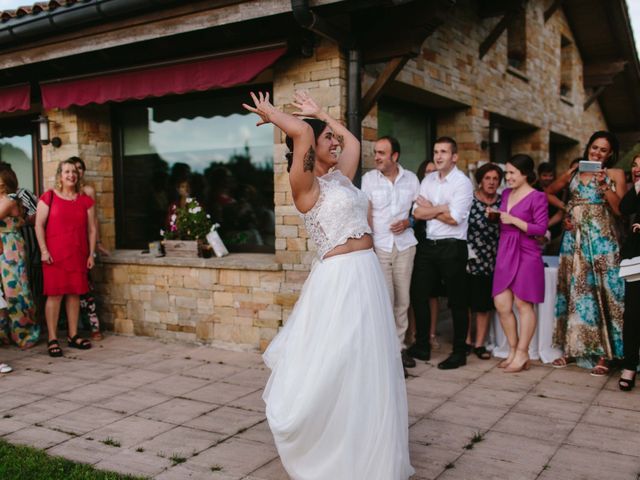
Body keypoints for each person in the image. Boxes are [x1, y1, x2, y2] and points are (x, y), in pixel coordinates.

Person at [243, 91, 413, 479]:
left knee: (369, 363)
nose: (335, 143)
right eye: (327, 140)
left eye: (331, 139)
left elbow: (353, 141)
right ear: (309, 149)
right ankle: (331, 446)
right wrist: (276, 115)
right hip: (338, 281)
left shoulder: (341, 178)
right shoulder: (305, 185)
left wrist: (323, 115)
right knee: (338, 364)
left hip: (366, 273)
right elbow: (301, 132)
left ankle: (369, 449)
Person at [549, 131, 626, 375]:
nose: (597, 153)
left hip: (602, 242)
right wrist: (568, 210)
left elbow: (620, 210)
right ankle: (572, 349)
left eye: (603, 150)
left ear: (610, 153)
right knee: (575, 292)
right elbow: (548, 191)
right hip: (574, 242)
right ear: (588, 148)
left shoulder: (615, 174)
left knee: (604, 293)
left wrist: (604, 185)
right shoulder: (574, 171)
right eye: (594, 148)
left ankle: (606, 354)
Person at [408, 136, 474, 370]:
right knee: (419, 294)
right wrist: (441, 208)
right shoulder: (427, 180)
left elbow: (455, 219)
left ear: (454, 157)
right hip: (429, 245)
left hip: (453, 246)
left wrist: (430, 209)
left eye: (444, 152)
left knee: (457, 300)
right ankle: (422, 345)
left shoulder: (462, 183)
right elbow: (417, 213)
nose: (438, 156)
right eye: (436, 151)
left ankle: (459, 352)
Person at [362, 136, 420, 371]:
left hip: (405, 246)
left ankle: (399, 348)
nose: (376, 157)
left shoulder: (412, 179)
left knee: (403, 300)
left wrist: (409, 222)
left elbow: (420, 210)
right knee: (385, 300)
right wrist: (369, 246)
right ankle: (385, 350)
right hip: (380, 247)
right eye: (376, 152)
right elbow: (365, 214)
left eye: (381, 153)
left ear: (394, 156)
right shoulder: (368, 180)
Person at [492, 155, 549, 373]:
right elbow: (504, 219)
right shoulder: (506, 193)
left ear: (525, 174)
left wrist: (514, 220)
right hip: (506, 249)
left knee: (523, 304)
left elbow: (541, 229)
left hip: (526, 251)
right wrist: (496, 216)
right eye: (506, 172)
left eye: (511, 173)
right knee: (502, 304)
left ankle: (523, 352)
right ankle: (513, 349)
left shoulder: (538, 197)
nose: (507, 177)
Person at [35, 159, 96, 357]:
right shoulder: (49, 196)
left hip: (78, 254)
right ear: (60, 176)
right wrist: (44, 250)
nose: (71, 175)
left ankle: (73, 335)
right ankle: (52, 338)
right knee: (55, 295)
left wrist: (91, 254)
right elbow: (39, 225)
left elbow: (92, 229)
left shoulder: (84, 200)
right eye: (67, 171)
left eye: (74, 172)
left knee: (74, 294)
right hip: (54, 256)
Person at [465, 163, 503, 360]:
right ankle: (466, 341)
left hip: (491, 259)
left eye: (495, 179)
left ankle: (479, 344)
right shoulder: (470, 199)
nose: (491, 182)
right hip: (469, 257)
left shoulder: (502, 202)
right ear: (480, 180)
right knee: (465, 302)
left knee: (483, 304)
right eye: (487, 178)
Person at [0, 166, 40, 350]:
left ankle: (25, 333)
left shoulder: (10, 199)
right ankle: (3, 334)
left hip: (10, 246)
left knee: (15, 290)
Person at [72, 157, 106, 341]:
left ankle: (94, 326)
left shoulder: (87, 191)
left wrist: (97, 244)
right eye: (74, 168)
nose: (77, 172)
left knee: (86, 285)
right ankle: (74, 326)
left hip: (86, 243)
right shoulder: (63, 193)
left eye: (80, 168)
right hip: (69, 244)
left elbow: (93, 219)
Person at [618, 154, 640, 391]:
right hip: (637, 259)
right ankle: (630, 366)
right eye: (635, 165)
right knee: (633, 315)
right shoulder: (637, 190)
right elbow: (625, 208)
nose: (637, 169)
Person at [534, 162, 563, 255]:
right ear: (539, 175)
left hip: (555, 234)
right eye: (545, 175)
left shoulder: (560, 191)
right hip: (536, 235)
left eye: (550, 175)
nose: (548, 178)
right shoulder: (533, 190)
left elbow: (561, 212)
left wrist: (545, 226)